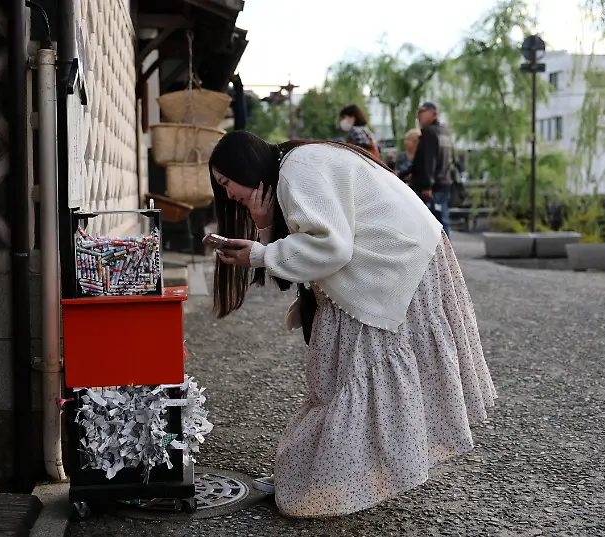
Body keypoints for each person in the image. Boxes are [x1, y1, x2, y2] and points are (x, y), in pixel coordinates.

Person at [207, 131, 497, 518]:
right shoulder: (296, 164)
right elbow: (301, 262)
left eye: (226, 182)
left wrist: (260, 252)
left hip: (394, 269)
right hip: (398, 263)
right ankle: (332, 479)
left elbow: (331, 248)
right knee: (335, 376)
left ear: (245, 166)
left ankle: (331, 487)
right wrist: (263, 228)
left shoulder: (297, 169)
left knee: (346, 378)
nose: (227, 195)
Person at [411, 102, 454, 237]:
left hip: (431, 188)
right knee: (443, 222)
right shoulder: (444, 132)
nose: (418, 115)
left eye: (422, 111)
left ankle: (439, 256)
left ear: (433, 113)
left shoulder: (430, 133)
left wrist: (427, 185)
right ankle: (448, 255)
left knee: (430, 225)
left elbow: (429, 161)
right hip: (444, 183)